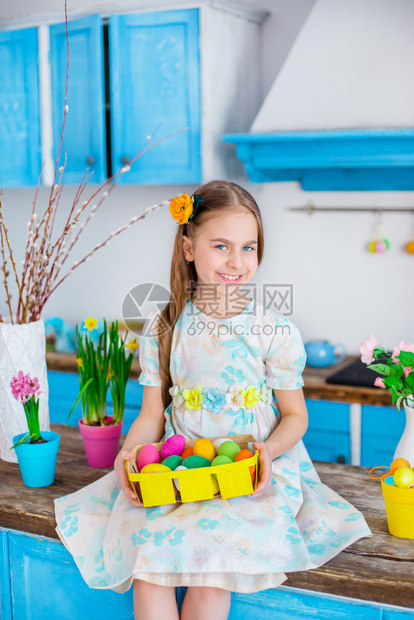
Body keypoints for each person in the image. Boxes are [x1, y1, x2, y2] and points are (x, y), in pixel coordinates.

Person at [55, 180, 371, 620]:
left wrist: (269, 452)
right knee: (148, 565)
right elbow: (150, 416)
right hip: (178, 473)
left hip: (251, 476)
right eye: (221, 245)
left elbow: (296, 416)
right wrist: (128, 455)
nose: (236, 262)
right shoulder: (163, 326)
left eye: (248, 247)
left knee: (212, 567)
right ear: (188, 247)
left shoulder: (272, 329)